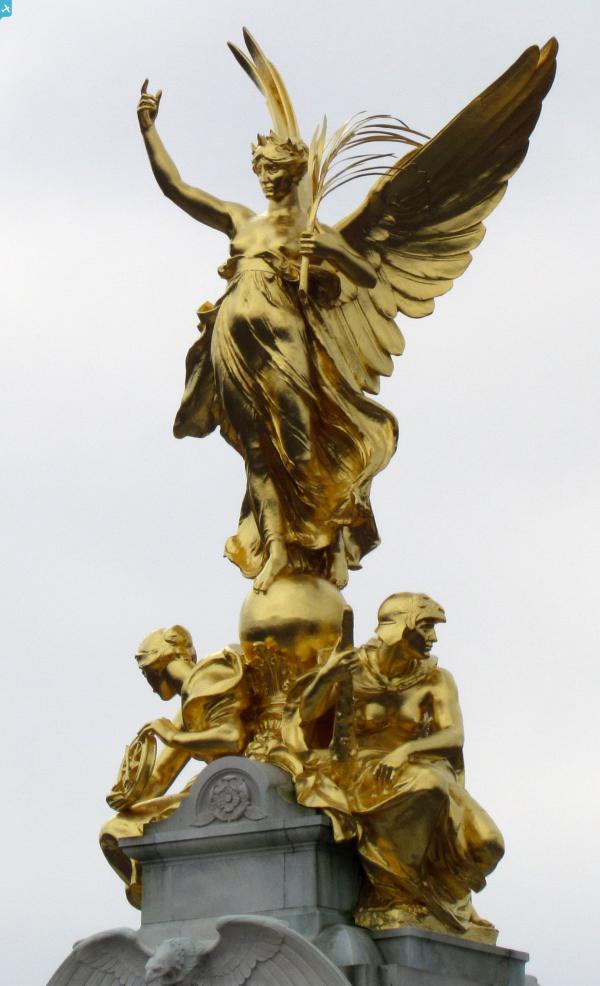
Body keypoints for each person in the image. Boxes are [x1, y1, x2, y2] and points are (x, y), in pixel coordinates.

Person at [137, 83, 398, 593]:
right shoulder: (240, 220)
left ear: (293, 172)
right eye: (261, 170)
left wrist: (330, 252)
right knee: (256, 451)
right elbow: (177, 188)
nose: (266, 178)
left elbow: (365, 276)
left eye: (275, 170)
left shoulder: (313, 232)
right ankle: (276, 547)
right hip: (232, 345)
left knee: (301, 445)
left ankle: (333, 542)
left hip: (284, 341)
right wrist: (149, 129)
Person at [288, 593, 505, 942]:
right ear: (401, 628)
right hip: (358, 771)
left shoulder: (436, 678)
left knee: (488, 843)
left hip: (418, 763)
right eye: (426, 628)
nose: (433, 638)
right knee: (426, 786)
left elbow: (453, 735)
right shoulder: (353, 666)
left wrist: (405, 751)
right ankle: (393, 896)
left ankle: (443, 901)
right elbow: (307, 715)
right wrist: (329, 673)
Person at [99, 625, 249, 907]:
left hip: (238, 778)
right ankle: (165, 904)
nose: (150, 684)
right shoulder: (186, 705)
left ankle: (176, 901)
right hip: (213, 783)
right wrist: (128, 796)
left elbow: (232, 737)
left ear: (157, 665)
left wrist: (171, 736)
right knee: (117, 830)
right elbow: (160, 777)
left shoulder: (211, 675)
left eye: (146, 673)